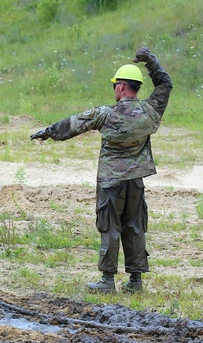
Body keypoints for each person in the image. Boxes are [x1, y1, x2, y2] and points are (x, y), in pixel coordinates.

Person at [30, 47, 172, 294]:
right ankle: (135, 282)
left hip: (110, 182)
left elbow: (73, 124)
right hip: (136, 181)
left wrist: (48, 132)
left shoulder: (105, 114)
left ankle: (107, 280)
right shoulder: (150, 111)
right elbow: (165, 84)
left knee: (109, 226)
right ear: (137, 87)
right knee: (135, 226)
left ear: (120, 87)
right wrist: (150, 60)